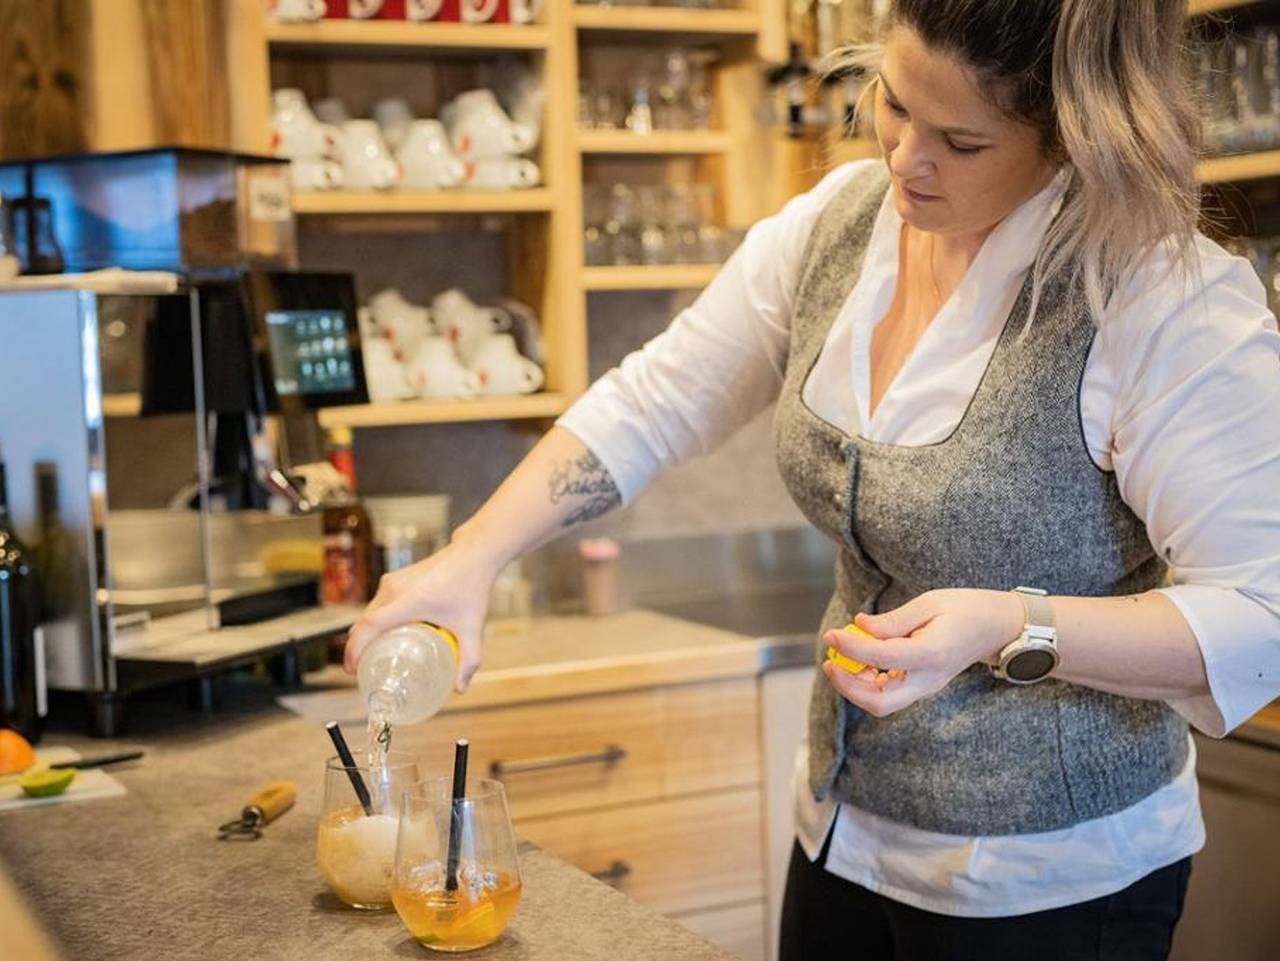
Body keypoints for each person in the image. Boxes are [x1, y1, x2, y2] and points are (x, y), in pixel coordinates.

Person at [345, 0, 1280, 957]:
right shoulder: (835, 230)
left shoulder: (1165, 300)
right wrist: (473, 556)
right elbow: (653, 403)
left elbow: (1261, 615)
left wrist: (1006, 624)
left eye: (961, 140)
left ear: (1074, 138)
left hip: (1050, 879)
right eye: (895, 103)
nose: (907, 159)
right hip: (842, 831)